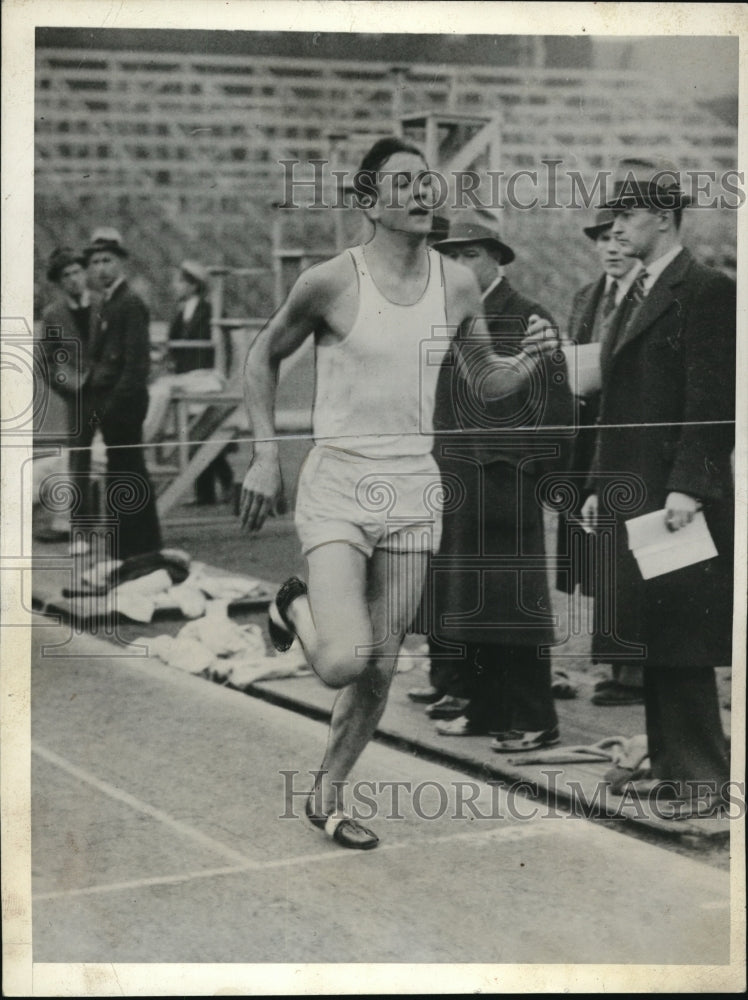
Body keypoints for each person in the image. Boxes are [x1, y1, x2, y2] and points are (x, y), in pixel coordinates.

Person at [239, 137, 559, 848]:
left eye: (428, 182)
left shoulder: (458, 282)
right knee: (343, 660)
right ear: (367, 202)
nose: (423, 194)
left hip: (414, 487)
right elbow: (261, 354)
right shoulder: (330, 281)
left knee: (382, 667)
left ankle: (328, 795)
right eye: (406, 184)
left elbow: (486, 381)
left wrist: (528, 362)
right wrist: (265, 454)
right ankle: (289, 602)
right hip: (340, 483)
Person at [582, 158, 735, 816]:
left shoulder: (706, 291)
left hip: (673, 498)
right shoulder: (636, 291)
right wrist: (594, 482)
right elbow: (615, 403)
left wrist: (688, 489)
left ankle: (700, 779)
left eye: (628, 216)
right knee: (649, 635)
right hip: (631, 490)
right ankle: (672, 766)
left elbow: (712, 402)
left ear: (665, 219)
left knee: (682, 639)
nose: (616, 227)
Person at [422, 218, 566, 751]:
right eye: (450, 256)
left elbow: (554, 404)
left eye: (469, 255)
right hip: (457, 477)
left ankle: (535, 718)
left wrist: (539, 476)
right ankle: (484, 710)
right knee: (470, 600)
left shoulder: (528, 314)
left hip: (507, 480)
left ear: (495, 259)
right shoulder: (451, 314)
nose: (457, 266)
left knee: (516, 605)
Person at [555, 209, 645, 707]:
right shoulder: (587, 297)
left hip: (630, 438)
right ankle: (617, 665)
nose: (610, 248)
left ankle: (634, 672)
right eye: (602, 240)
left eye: (618, 238)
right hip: (590, 434)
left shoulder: (649, 295)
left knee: (632, 551)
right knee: (601, 554)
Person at [74, 227, 162, 560]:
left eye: (107, 260)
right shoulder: (107, 303)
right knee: (120, 473)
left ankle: (142, 549)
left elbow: (136, 366)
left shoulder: (129, 303)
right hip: (109, 405)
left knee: (129, 472)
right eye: (95, 262)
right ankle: (128, 550)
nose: (100, 268)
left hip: (123, 407)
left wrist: (113, 407)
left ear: (121, 263)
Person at [144, 260, 235, 504]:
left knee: (201, 432)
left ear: (194, 286)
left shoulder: (210, 311)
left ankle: (224, 484)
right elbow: (172, 347)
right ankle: (208, 492)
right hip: (187, 378)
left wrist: (221, 376)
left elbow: (224, 347)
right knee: (196, 434)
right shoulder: (181, 314)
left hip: (203, 379)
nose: (176, 287)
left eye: (180, 281)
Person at [37, 247, 101, 541]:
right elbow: (46, 363)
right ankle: (78, 525)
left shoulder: (106, 304)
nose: (74, 279)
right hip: (77, 397)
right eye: (66, 276)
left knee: (117, 454)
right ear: (59, 283)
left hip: (110, 393)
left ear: (85, 274)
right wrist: (68, 385)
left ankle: (121, 520)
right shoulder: (53, 315)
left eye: (77, 272)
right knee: (78, 459)